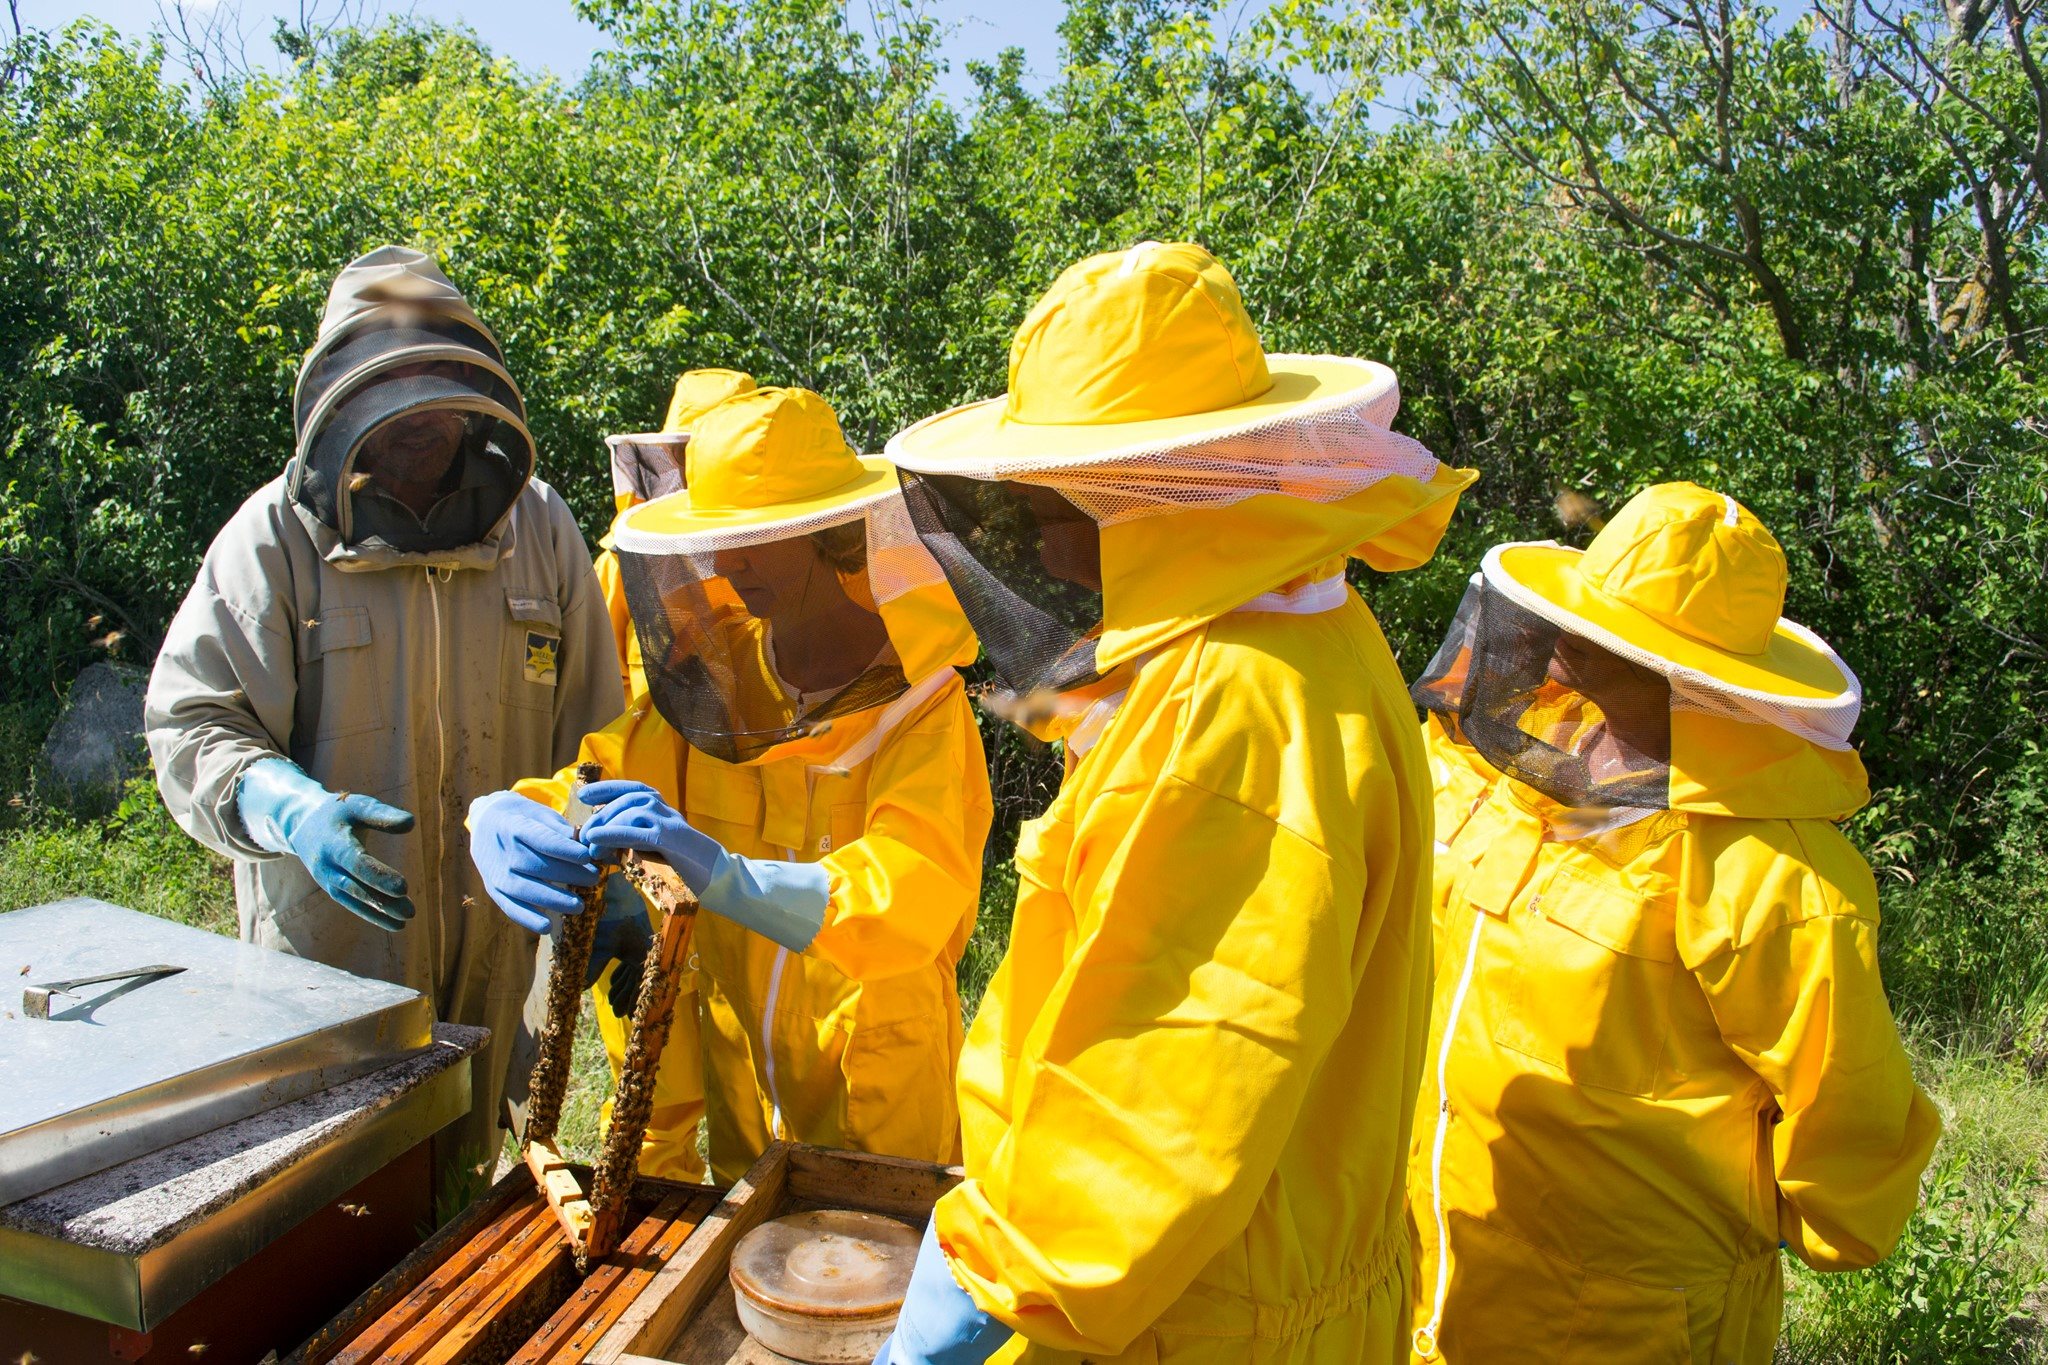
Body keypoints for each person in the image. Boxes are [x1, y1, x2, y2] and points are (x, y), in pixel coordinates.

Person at [875, 240, 1477, 1364]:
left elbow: (1163, 1088)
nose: (1042, 535)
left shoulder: (1230, 704)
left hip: (1184, 1318)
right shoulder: (1307, 631)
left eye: (1069, 496)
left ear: (1163, 495)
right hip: (1253, 1280)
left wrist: (981, 1289)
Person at [1404, 482, 1940, 1362]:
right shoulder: (1491, 775)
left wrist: (1738, 1229)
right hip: (1432, 1253)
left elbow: (1849, 1121)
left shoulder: (1776, 875)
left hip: (1625, 1317)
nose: (1561, 645)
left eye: (1600, 635)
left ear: (1681, 674)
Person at [144, 245, 619, 1214]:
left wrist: (603, 862)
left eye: (434, 377)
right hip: (330, 963)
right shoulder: (272, 537)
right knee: (332, 1208)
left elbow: (595, 738)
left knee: (467, 1194)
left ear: (473, 378)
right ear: (339, 394)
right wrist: (281, 803)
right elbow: (193, 721)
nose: (417, 410)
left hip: (502, 949)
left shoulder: (540, 531)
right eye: (389, 379)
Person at [468, 384, 991, 1182]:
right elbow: (606, 767)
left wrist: (736, 880)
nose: (731, 564)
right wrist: (510, 810)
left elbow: (915, 883)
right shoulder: (720, 679)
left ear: (831, 534)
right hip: (746, 1066)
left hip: (883, 1075)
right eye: (719, 539)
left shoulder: (924, 699)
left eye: (759, 537)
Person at [595, 368, 758, 701]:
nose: (689, 464)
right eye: (680, 451)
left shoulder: (784, 546)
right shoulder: (621, 563)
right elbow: (599, 682)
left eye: (706, 450)